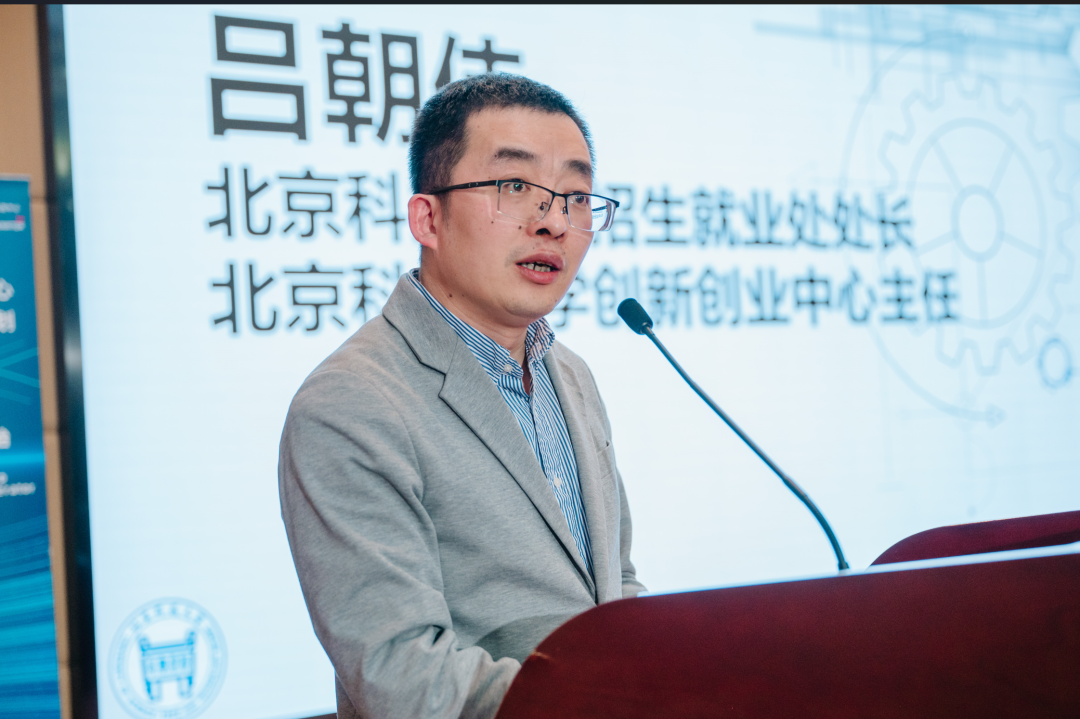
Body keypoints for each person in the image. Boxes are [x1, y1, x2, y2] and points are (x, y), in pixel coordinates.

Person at [279, 73, 645, 719]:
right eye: (514, 187)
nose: (553, 221)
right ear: (428, 218)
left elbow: (614, 585)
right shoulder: (349, 405)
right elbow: (402, 674)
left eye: (576, 196)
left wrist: (675, 669)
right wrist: (608, 699)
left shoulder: (572, 375)